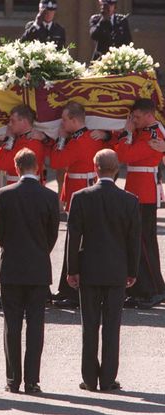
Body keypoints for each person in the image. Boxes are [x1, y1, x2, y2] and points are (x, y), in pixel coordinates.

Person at [67, 149, 140, 391]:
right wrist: (132, 271)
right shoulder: (130, 200)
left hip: (89, 269)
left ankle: (89, 378)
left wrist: (72, 269)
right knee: (112, 326)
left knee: (89, 326)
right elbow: (134, 240)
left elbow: (73, 237)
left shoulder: (81, 197)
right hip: (117, 270)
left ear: (94, 167)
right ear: (117, 168)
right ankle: (108, 378)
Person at [0, 148, 59, 394]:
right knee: (35, 325)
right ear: (38, 167)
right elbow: (51, 235)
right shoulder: (49, 196)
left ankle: (13, 380)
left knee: (11, 325)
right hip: (38, 266)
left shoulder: (4, 194)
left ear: (16, 166)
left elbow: (0, 233)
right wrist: (40, 251)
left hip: (11, 266)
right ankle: (32, 380)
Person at [50, 101, 106, 308]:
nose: (62, 123)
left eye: (64, 120)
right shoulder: (92, 136)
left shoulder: (76, 141)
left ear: (74, 120)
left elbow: (56, 162)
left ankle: (71, 291)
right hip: (84, 189)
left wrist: (61, 140)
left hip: (79, 192)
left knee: (74, 244)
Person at [0, 104, 48, 309]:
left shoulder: (32, 142)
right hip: (14, 191)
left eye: (13, 120)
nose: (9, 124)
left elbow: (7, 164)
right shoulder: (19, 140)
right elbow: (1, 163)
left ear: (25, 121)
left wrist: (7, 142)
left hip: (24, 194)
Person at [116, 98, 165, 309]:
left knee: (145, 243)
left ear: (148, 115)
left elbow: (123, 154)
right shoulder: (143, 131)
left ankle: (154, 289)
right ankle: (140, 288)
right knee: (136, 242)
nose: (133, 120)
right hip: (136, 190)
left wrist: (126, 133)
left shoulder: (154, 135)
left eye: (136, 117)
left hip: (144, 192)